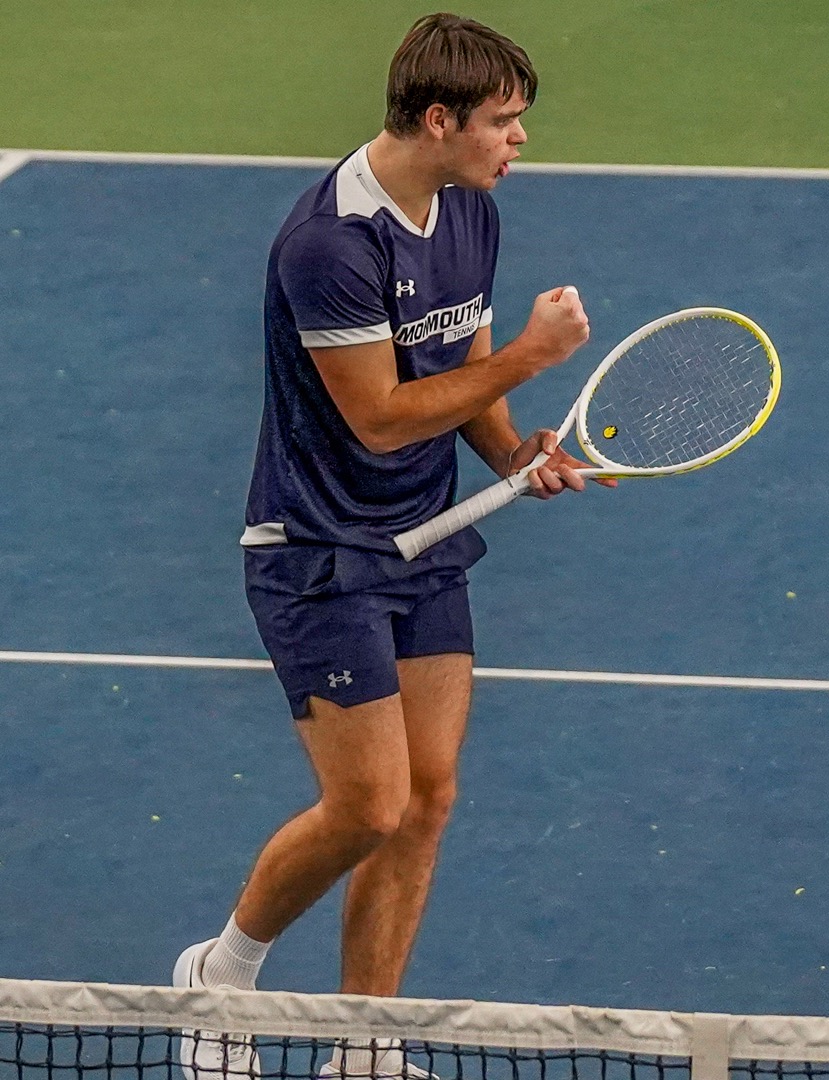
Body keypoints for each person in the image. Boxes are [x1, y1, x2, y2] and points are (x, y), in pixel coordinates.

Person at [173, 13, 603, 1078]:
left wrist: (511, 458)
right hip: (318, 549)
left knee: (429, 797)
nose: (520, 141)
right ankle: (220, 975)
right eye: (504, 122)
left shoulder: (469, 211)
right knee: (368, 802)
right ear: (439, 117)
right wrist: (536, 362)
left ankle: (362, 1045)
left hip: (426, 542)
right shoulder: (330, 243)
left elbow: (462, 360)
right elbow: (379, 416)